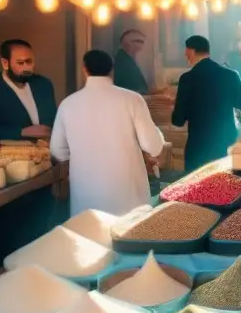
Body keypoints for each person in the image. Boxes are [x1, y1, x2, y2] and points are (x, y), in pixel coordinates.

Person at [50, 50, 164, 216]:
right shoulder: (132, 99)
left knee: (89, 238)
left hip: (86, 198)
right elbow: (153, 146)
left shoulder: (67, 104)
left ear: (84, 69)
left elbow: (58, 150)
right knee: (130, 236)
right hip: (127, 196)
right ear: (112, 70)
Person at [171, 35, 241, 170]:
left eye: (186, 51)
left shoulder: (187, 79)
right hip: (226, 145)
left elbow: (178, 120)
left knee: (197, 188)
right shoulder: (231, 75)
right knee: (226, 186)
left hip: (198, 147)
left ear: (191, 51)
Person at [0, 39, 57, 141]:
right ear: (5, 63)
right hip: (10, 154)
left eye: (29, 62)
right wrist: (21, 132)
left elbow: (53, 121)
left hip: (47, 152)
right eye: (20, 63)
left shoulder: (44, 84)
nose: (26, 68)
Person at [114, 29, 149, 94]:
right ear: (126, 43)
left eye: (142, 42)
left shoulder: (131, 59)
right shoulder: (122, 62)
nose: (141, 44)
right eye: (138, 41)